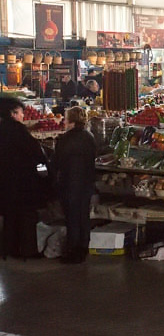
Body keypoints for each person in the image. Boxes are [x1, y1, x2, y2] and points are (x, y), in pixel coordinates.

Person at [0, 98, 47, 259]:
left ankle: (9, 249)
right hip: (23, 184)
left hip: (5, 185)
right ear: (13, 113)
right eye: (20, 113)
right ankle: (27, 250)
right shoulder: (19, 132)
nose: (22, 116)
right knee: (27, 218)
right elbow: (37, 157)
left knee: (9, 217)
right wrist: (45, 173)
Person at [51, 107, 96, 264]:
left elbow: (56, 163)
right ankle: (84, 248)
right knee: (83, 216)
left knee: (72, 218)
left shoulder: (65, 139)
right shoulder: (89, 136)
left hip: (70, 183)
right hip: (86, 182)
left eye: (65, 118)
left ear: (70, 120)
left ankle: (73, 251)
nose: (64, 121)